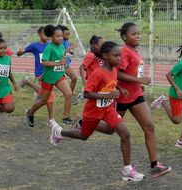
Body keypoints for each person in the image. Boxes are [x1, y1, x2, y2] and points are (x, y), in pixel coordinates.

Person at [50, 41, 144, 181]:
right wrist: (108, 95)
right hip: (93, 111)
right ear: (105, 56)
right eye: (116, 56)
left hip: (108, 109)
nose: (119, 58)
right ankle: (59, 132)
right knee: (83, 135)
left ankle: (127, 170)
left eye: (120, 56)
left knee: (125, 133)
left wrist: (119, 89)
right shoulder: (98, 73)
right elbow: (87, 93)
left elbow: (111, 82)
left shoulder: (113, 70)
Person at [115, 22, 171, 177]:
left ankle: (155, 165)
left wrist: (138, 83)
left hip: (136, 95)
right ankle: (83, 122)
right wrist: (138, 80)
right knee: (108, 129)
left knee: (149, 127)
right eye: (134, 34)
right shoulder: (124, 52)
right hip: (122, 96)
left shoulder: (135, 50)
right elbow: (117, 74)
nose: (138, 36)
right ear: (125, 36)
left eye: (139, 33)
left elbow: (134, 72)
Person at [151, 42, 182, 149]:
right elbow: (168, 75)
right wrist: (177, 89)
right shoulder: (181, 64)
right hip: (176, 95)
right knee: (176, 120)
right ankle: (163, 101)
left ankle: (181, 141)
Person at [26, 24, 73, 127]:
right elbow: (44, 62)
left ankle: (66, 117)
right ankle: (30, 112)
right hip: (48, 77)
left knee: (69, 94)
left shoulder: (61, 45)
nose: (61, 38)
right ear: (51, 38)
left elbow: (61, 56)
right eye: (58, 36)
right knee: (43, 100)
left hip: (59, 75)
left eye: (61, 36)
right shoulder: (49, 47)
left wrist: (66, 55)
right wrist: (58, 63)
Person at [17, 26, 58, 127]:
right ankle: (50, 119)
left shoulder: (51, 45)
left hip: (50, 73)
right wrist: (20, 51)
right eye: (44, 34)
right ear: (39, 34)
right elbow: (20, 53)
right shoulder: (35, 45)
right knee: (50, 96)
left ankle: (30, 112)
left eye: (48, 34)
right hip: (40, 73)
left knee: (45, 96)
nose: (47, 36)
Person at [78, 35, 104, 101]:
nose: (104, 45)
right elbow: (82, 67)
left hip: (100, 81)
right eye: (102, 44)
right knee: (94, 101)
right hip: (94, 82)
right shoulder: (91, 56)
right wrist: (84, 82)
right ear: (95, 45)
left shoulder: (101, 54)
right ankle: (84, 92)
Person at [57, 25, 78, 104]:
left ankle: (69, 96)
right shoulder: (59, 42)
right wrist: (70, 48)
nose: (68, 36)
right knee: (74, 78)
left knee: (74, 78)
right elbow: (61, 52)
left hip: (65, 63)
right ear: (61, 34)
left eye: (69, 34)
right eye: (67, 34)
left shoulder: (66, 41)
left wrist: (71, 51)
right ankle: (69, 96)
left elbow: (66, 49)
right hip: (61, 63)